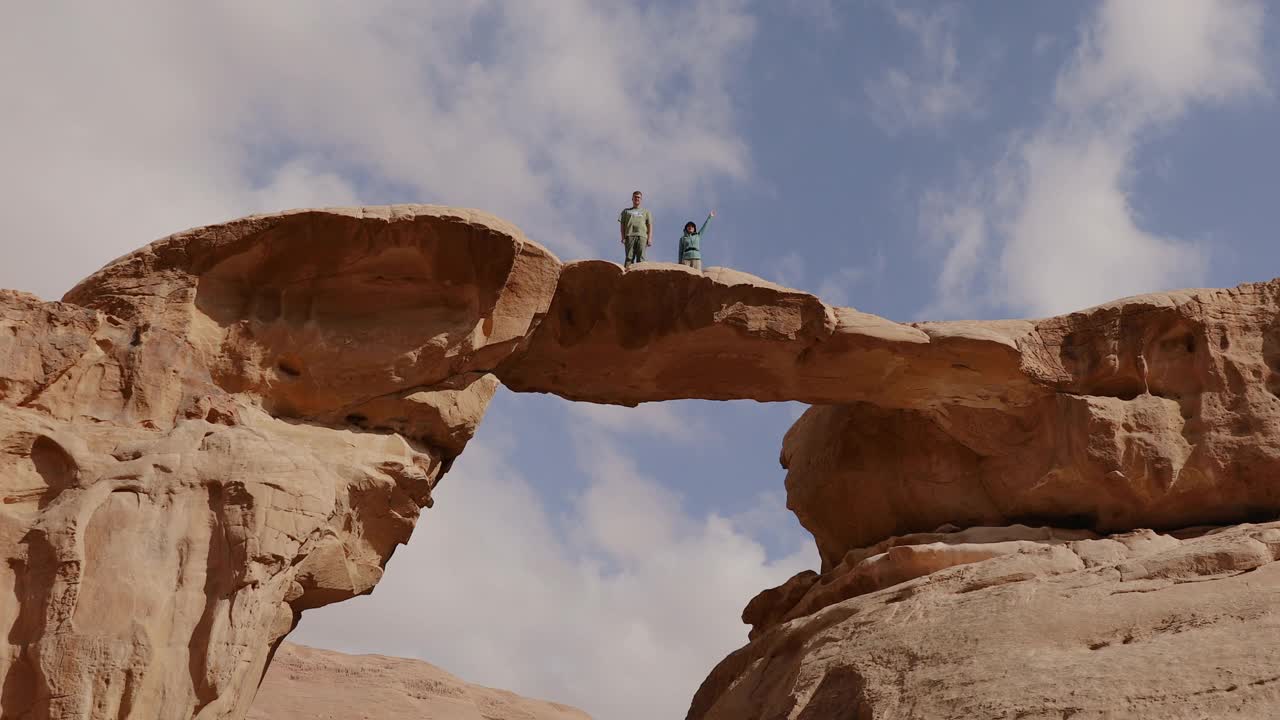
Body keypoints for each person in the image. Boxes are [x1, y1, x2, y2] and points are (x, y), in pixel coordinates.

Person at [619, 190, 653, 268]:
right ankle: (627, 274)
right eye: (635, 197)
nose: (637, 199)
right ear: (632, 199)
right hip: (629, 235)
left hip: (642, 236)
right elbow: (622, 225)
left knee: (641, 258)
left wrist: (650, 238)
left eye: (639, 197)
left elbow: (650, 225)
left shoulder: (646, 212)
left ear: (641, 199)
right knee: (629, 257)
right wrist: (622, 237)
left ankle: (641, 274)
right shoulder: (626, 211)